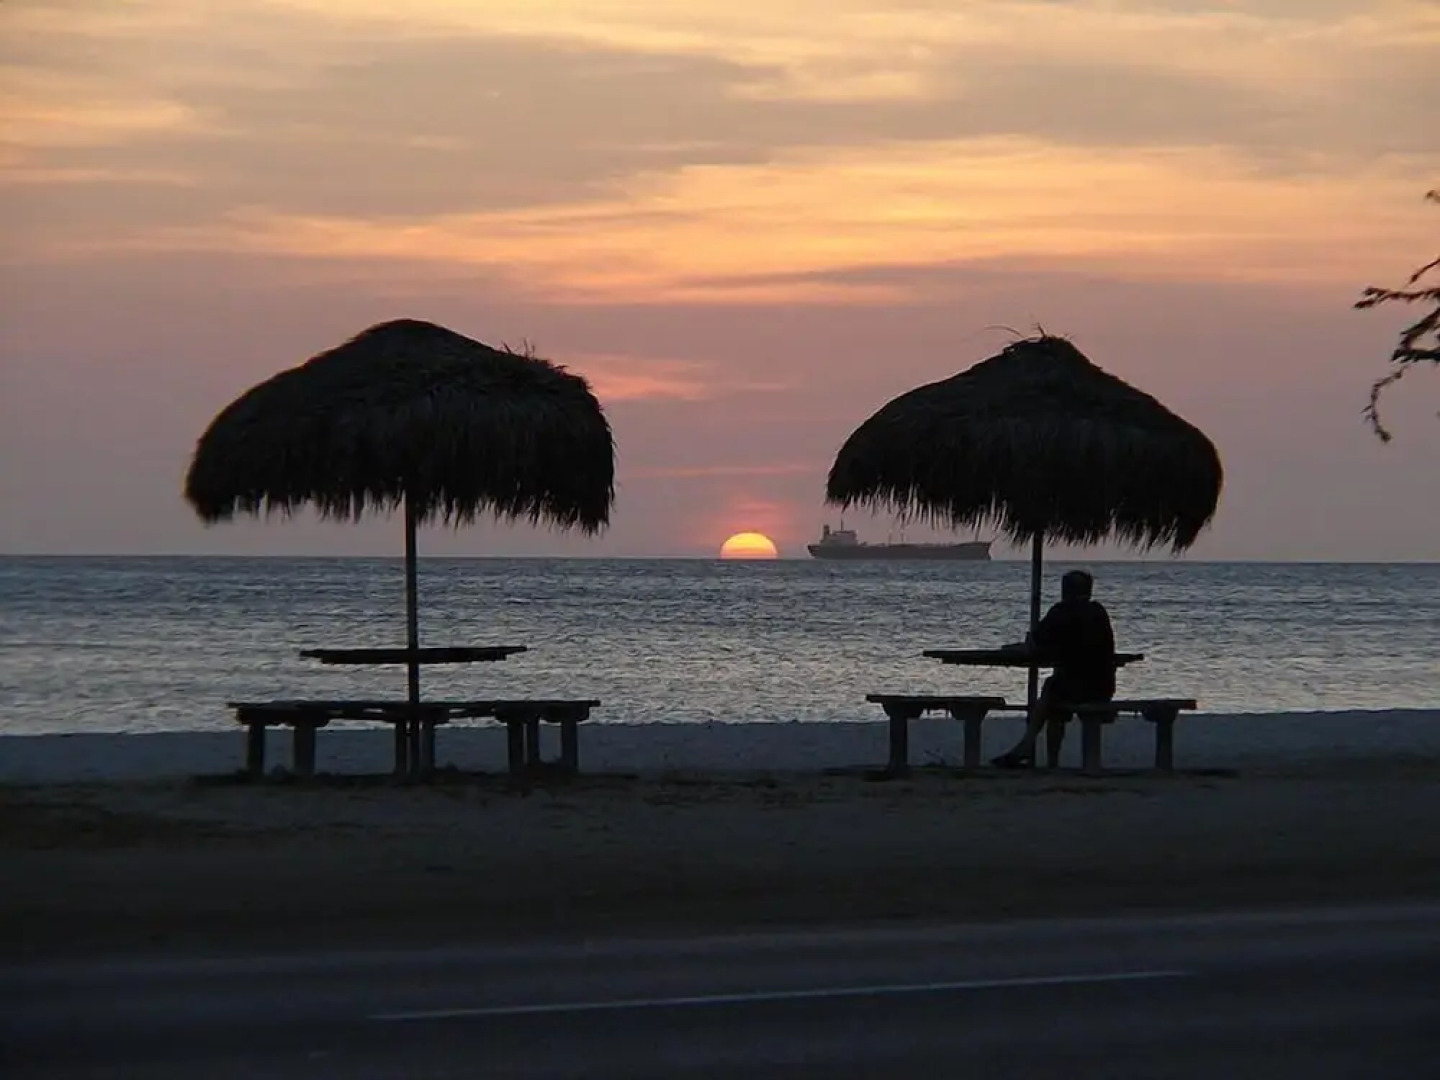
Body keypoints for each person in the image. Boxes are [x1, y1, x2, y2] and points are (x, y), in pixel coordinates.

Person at [992, 569, 1116, 768]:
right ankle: (1040, 755)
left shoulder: (1062, 611)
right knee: (1054, 693)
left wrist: (1011, 648)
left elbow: (1035, 643)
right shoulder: (1099, 612)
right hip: (1103, 688)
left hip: (1078, 687)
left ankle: (1033, 750)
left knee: (1051, 690)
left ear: (1065, 590)